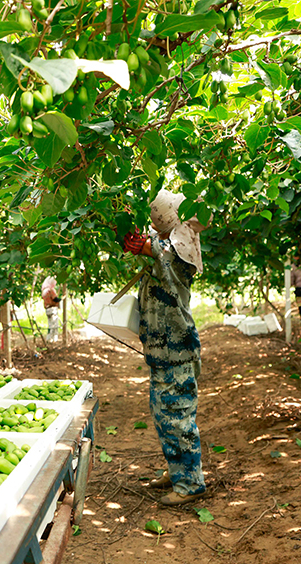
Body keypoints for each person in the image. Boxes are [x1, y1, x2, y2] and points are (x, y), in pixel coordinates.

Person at [123, 189, 208, 506]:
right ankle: (177, 471)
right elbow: (149, 245)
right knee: (163, 415)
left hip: (176, 351)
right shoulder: (168, 248)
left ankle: (190, 484)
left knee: (178, 418)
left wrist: (127, 231)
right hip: (164, 351)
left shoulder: (173, 253)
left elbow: (152, 247)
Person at [41, 275, 61, 343]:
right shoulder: (51, 290)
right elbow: (55, 299)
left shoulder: (44, 291)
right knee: (54, 325)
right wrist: (60, 299)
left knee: (50, 325)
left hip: (47, 309)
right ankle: (54, 339)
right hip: (53, 309)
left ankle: (48, 338)